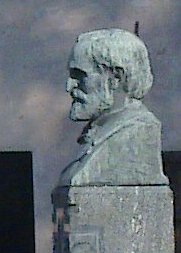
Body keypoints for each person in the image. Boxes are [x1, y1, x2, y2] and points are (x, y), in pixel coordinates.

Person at [60, 29, 163, 187]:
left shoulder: (135, 131)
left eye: (80, 75)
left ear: (116, 78)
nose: (69, 86)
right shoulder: (97, 132)